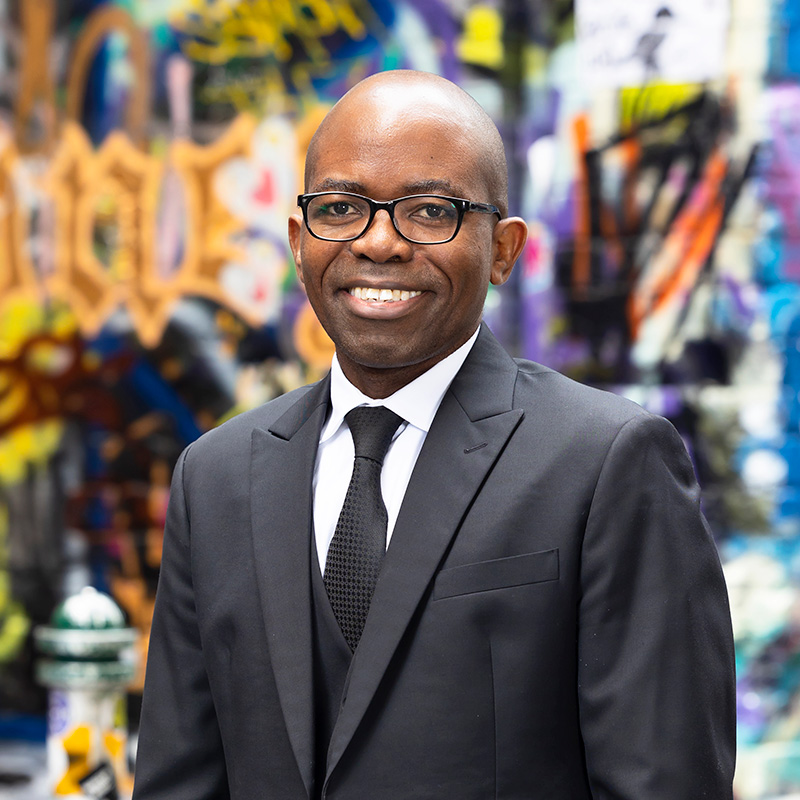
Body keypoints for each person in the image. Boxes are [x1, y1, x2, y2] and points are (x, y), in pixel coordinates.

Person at [132, 70, 735, 800]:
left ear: (504, 249)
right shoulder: (216, 477)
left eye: (429, 211)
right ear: (299, 240)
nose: (379, 242)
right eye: (342, 207)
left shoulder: (607, 463)